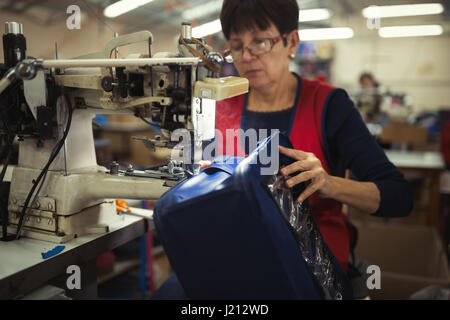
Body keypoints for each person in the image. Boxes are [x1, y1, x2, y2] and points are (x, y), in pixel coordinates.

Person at [212, 0, 412, 274]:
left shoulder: (329, 106)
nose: (246, 56)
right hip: (236, 260)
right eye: (236, 45)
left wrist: (329, 184)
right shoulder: (222, 106)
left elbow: (399, 196)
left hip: (312, 272)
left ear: (291, 42)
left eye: (260, 42)